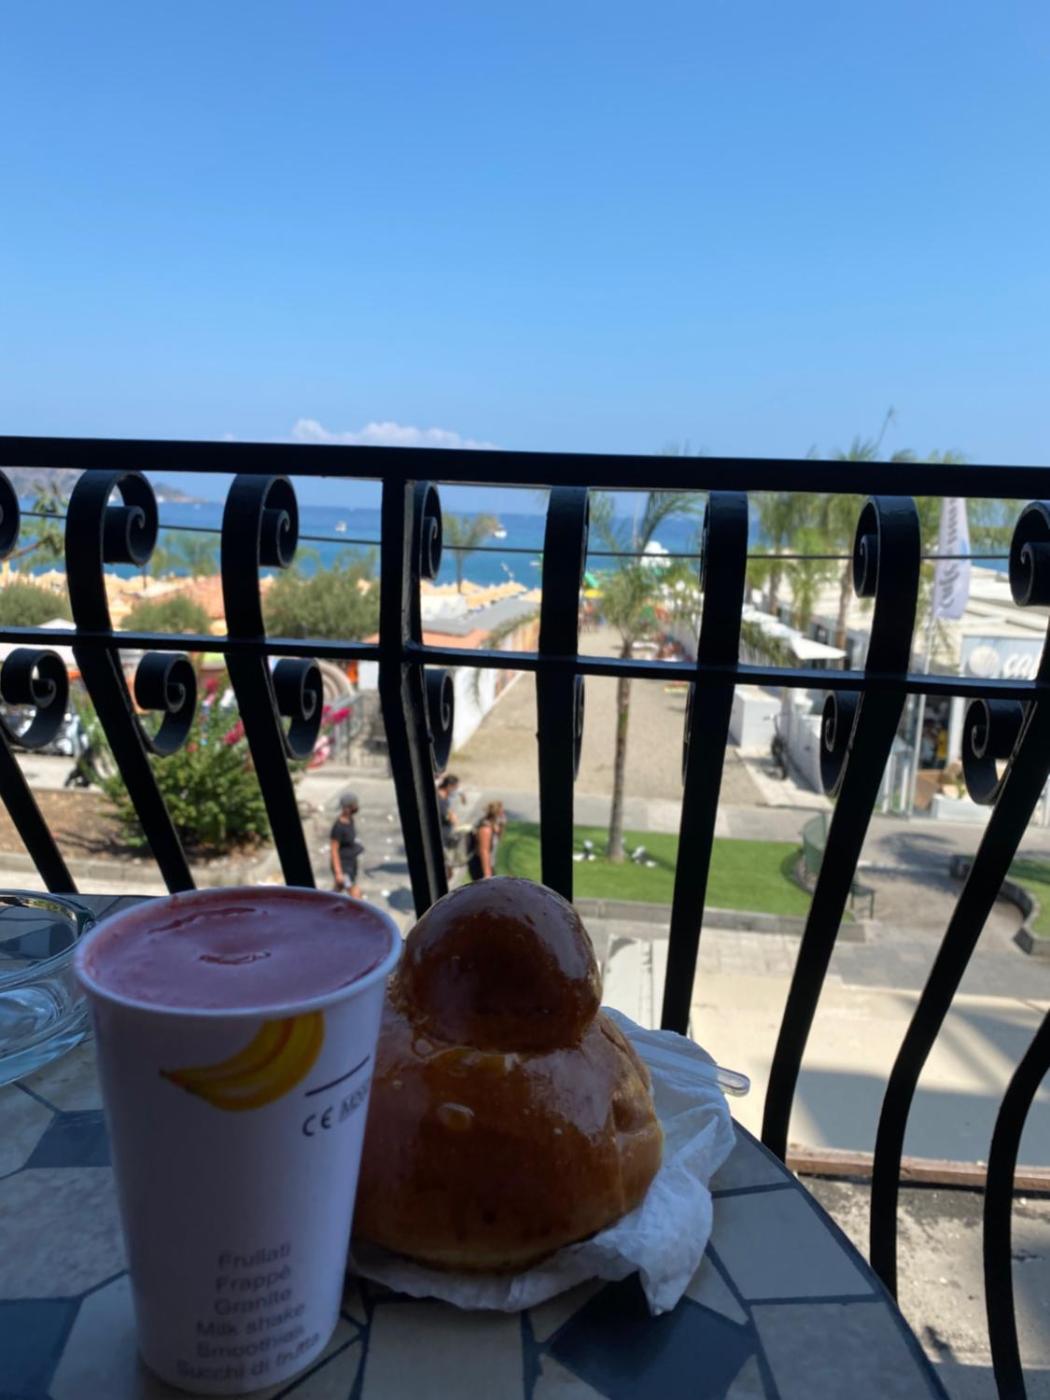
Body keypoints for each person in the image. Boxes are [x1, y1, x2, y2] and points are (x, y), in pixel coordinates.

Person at [330, 791, 363, 897]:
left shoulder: (350, 820)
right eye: (354, 805)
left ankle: (324, 903)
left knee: (337, 890)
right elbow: (334, 851)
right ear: (348, 807)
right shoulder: (338, 827)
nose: (356, 807)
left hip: (351, 863)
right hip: (343, 867)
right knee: (354, 892)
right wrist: (338, 872)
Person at [467, 801, 505, 882]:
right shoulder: (485, 829)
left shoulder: (493, 826)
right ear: (496, 814)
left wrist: (502, 826)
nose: (503, 815)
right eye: (502, 813)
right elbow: (484, 852)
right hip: (480, 867)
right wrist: (487, 875)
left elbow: (500, 838)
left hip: (489, 865)